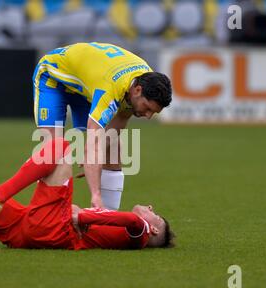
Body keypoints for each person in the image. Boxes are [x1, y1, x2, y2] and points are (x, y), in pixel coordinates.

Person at [0, 138, 175, 250]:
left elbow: (131, 220)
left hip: (52, 228)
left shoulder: (141, 231)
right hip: (23, 229)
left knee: (60, 147)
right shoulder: (122, 236)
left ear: (153, 228)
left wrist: (81, 216)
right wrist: (81, 212)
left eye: (155, 215)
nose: (151, 209)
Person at [32, 42, 172, 210]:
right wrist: (95, 193)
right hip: (53, 76)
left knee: (112, 145)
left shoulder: (141, 82)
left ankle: (108, 214)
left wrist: (94, 163)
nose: (148, 116)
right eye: (148, 108)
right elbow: (93, 146)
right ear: (137, 91)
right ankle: (49, 217)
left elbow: (118, 122)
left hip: (86, 84)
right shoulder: (112, 88)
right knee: (53, 153)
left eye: (153, 112)